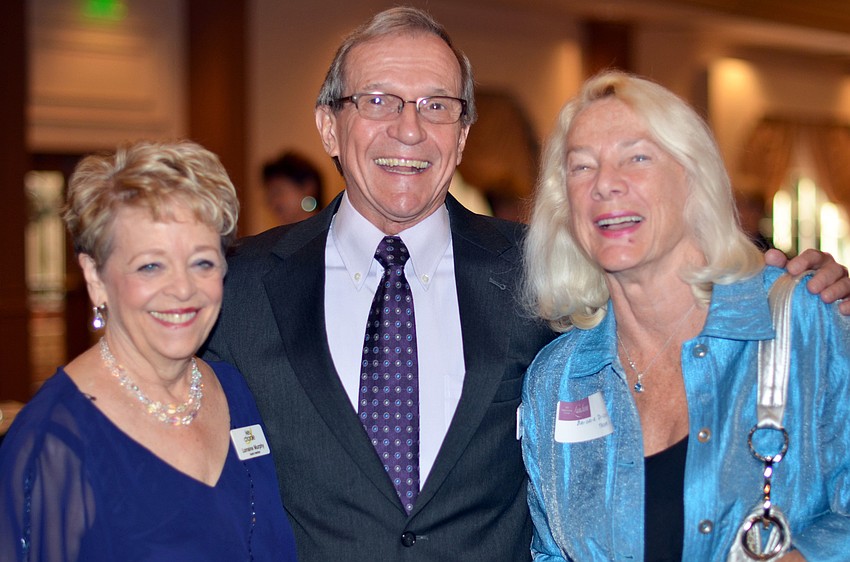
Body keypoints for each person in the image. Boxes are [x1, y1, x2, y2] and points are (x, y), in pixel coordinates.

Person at [203, 7, 850, 562]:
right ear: (327, 125)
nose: (409, 128)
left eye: (437, 106)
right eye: (377, 101)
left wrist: (788, 275)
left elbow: (665, 263)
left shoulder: (542, 275)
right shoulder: (238, 289)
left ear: (461, 137)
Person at [520, 71, 850, 561]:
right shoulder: (558, 380)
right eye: (582, 167)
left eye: (637, 157)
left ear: (693, 179)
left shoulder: (800, 323)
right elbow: (549, 551)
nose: (606, 184)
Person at [0, 141, 298, 561]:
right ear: (96, 276)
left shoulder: (234, 389)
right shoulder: (53, 440)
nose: (182, 289)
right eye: (151, 265)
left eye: (202, 263)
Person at [261, 150, 324, 225]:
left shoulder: (330, 231)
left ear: (308, 187)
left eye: (277, 192)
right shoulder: (278, 235)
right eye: (270, 197)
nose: (273, 203)